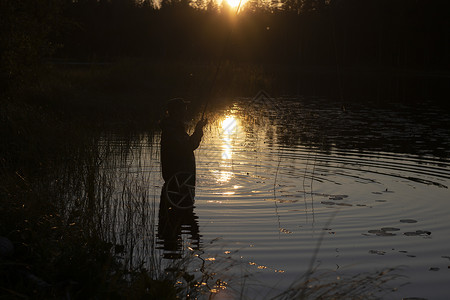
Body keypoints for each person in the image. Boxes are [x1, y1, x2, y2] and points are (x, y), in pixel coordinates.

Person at [159, 98, 207, 186]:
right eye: (183, 109)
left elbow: (188, 145)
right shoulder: (172, 130)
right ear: (176, 111)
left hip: (180, 180)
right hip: (179, 182)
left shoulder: (174, 128)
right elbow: (189, 146)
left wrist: (198, 130)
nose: (186, 111)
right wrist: (198, 130)